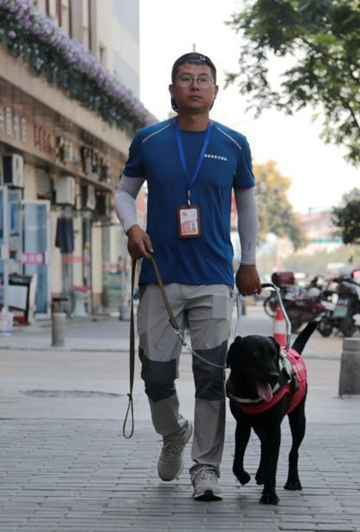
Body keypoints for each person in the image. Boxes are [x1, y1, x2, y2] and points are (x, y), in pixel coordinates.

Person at [114, 52, 261, 501]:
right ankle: (174, 431)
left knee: (211, 374)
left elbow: (249, 205)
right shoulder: (150, 138)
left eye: (203, 79)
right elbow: (124, 193)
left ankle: (205, 468)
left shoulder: (234, 144)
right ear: (172, 90)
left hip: (215, 277)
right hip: (160, 275)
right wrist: (132, 226)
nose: (194, 85)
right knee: (156, 375)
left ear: (216, 91)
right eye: (185, 78)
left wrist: (248, 261)